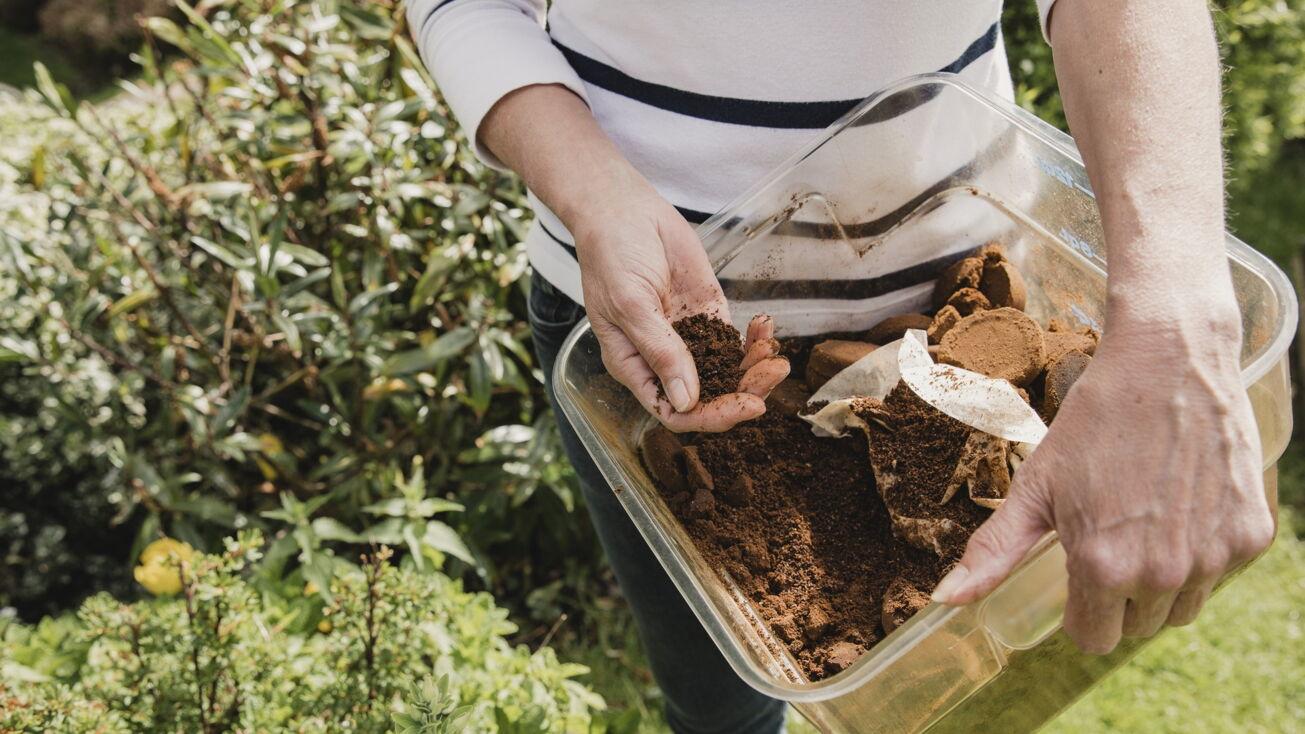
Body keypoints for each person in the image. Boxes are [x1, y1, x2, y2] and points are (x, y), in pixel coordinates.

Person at [407, 1, 1276, 731]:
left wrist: (1174, 325)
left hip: (962, 311)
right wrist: (595, 194)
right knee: (722, 704)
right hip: (656, 336)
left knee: (961, 685)